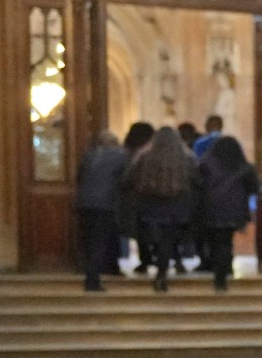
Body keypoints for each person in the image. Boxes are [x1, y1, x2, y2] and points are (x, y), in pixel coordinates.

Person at [125, 127, 199, 293]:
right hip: (177, 204)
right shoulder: (186, 157)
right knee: (168, 239)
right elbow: (196, 179)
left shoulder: (144, 155)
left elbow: (130, 178)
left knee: (155, 238)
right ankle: (162, 273)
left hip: (151, 203)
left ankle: (152, 264)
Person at [195, 135, 259, 293]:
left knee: (216, 241)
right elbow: (254, 187)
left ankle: (219, 273)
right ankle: (224, 271)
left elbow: (197, 184)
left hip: (210, 207)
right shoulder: (243, 166)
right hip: (234, 210)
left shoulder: (206, 163)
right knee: (226, 242)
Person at [75, 130, 130, 292]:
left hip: (84, 202)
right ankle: (93, 281)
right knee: (100, 241)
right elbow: (126, 180)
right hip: (106, 204)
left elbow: (80, 177)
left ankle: (94, 271)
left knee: (90, 240)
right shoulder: (121, 156)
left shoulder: (89, 156)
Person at [118, 122, 157, 277]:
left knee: (140, 231)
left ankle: (145, 259)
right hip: (150, 197)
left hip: (131, 198)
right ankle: (151, 258)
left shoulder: (125, 152)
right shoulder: (151, 153)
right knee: (150, 229)